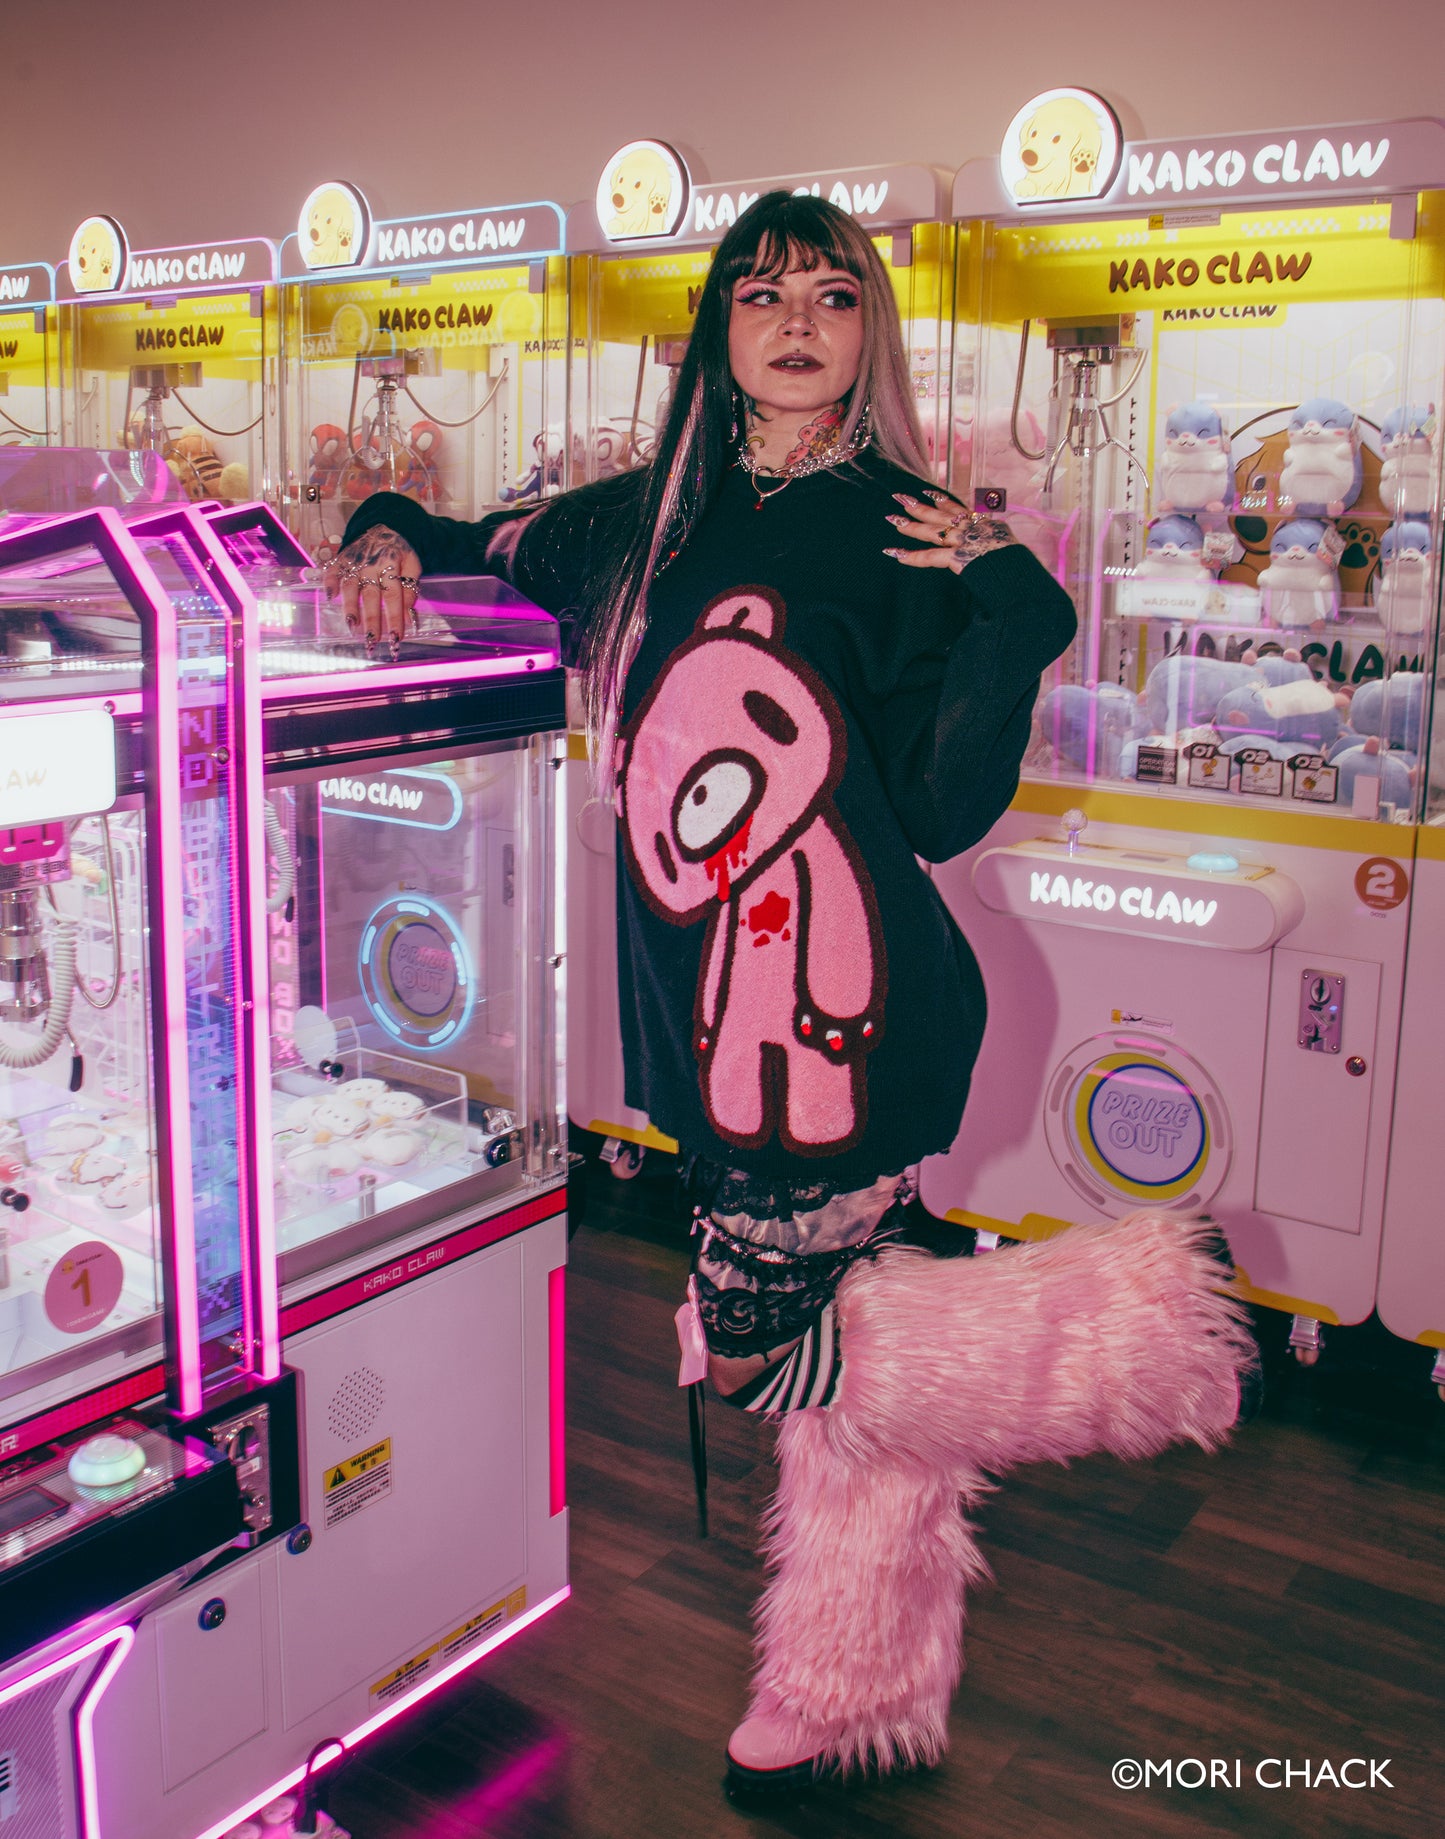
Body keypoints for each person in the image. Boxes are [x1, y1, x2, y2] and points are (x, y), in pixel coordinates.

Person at [327, 193, 1254, 1793]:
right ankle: (852, 1689)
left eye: (833, 295)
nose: (799, 322)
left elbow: (942, 811)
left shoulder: (907, 526)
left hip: (846, 1001)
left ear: (868, 329)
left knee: (763, 1345)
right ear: (719, 327)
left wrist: (1014, 613)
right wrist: (381, 533)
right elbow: (466, 533)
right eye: (763, 295)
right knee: (834, 1401)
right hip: (702, 1000)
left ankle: (1128, 1331)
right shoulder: (646, 519)